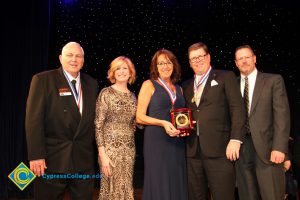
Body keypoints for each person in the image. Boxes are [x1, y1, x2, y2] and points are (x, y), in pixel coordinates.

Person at [25, 42, 98, 199]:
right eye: (69, 55)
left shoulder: (92, 84)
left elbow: (96, 119)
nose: (74, 59)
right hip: (52, 159)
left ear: (83, 60)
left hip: (82, 160)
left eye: (78, 56)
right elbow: (33, 121)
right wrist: (36, 155)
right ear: (60, 58)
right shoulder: (43, 80)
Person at [182, 42, 246, 200]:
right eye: (193, 59)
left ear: (208, 57)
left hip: (220, 150)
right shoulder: (186, 85)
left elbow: (237, 109)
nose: (197, 61)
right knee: (196, 196)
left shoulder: (226, 76)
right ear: (189, 63)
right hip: (193, 152)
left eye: (200, 56)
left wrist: (235, 139)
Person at [234, 44, 290, 200]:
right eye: (240, 58)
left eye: (247, 57)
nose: (244, 61)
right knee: (247, 195)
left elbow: (282, 116)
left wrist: (280, 148)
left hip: (268, 150)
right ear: (236, 63)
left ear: (254, 58)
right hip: (242, 151)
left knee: (272, 195)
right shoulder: (232, 84)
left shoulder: (273, 80)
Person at [136, 49, 188, 200]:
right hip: (157, 141)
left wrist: (187, 125)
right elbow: (139, 117)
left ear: (174, 65)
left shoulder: (179, 88)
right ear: (155, 67)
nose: (165, 66)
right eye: (161, 63)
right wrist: (163, 123)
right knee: (159, 179)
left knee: (177, 177)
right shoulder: (149, 85)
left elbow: (182, 115)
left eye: (168, 62)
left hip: (177, 141)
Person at [95, 56, 137, 199]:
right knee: (111, 190)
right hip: (110, 151)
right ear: (112, 72)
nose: (121, 71)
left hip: (129, 151)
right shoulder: (106, 93)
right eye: (117, 68)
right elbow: (98, 125)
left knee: (126, 187)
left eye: (125, 68)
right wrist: (102, 154)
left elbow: (134, 123)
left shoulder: (133, 97)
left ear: (130, 72)